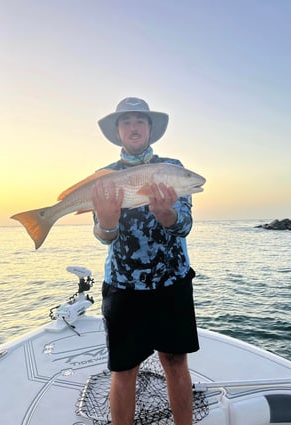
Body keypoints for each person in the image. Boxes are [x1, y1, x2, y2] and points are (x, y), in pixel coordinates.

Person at [91, 97, 199, 425]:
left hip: (171, 281)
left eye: (140, 121)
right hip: (124, 285)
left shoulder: (172, 169)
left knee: (176, 362)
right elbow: (102, 235)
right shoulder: (104, 176)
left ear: (150, 129)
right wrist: (107, 222)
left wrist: (167, 213)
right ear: (118, 131)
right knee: (124, 370)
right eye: (127, 122)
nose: (134, 127)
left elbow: (185, 225)